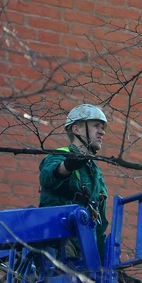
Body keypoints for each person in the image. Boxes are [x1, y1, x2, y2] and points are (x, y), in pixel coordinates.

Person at [38, 104, 110, 263]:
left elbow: (100, 226)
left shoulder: (96, 175)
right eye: (95, 126)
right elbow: (47, 177)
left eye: (102, 127)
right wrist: (68, 166)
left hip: (87, 246)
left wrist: (113, 270)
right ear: (76, 129)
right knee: (67, 281)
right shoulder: (60, 155)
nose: (102, 131)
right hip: (61, 238)